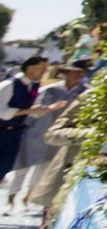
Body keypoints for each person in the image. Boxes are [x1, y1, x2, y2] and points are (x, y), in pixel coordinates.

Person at [4, 58, 90, 210]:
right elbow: (33, 108)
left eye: (81, 72)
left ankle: (28, 199)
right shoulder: (49, 90)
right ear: (67, 72)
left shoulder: (85, 93)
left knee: (42, 171)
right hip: (35, 134)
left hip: (60, 138)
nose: (78, 75)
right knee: (22, 167)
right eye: (75, 72)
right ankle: (11, 199)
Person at [0, 56, 64, 203]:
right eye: (42, 68)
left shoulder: (34, 87)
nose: (44, 72)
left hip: (15, 133)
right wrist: (29, 111)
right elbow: (2, 112)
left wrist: (47, 109)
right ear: (29, 68)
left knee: (4, 168)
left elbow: (32, 110)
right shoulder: (8, 85)